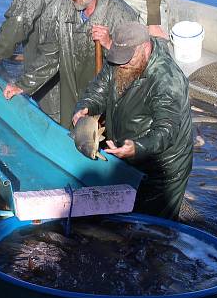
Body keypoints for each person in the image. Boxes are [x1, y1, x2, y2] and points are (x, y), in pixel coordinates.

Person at [73, 23, 193, 220]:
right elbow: (98, 90)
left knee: (150, 227)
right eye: (118, 59)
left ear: (145, 48)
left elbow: (166, 130)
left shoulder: (167, 80)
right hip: (126, 154)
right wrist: (85, 107)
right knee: (123, 218)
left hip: (162, 169)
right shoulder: (121, 59)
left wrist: (137, 147)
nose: (122, 65)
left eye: (127, 59)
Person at [3, 0, 140, 129]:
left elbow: (136, 64)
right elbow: (50, 55)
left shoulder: (122, 15)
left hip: (106, 98)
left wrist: (110, 44)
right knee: (69, 131)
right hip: (71, 93)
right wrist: (22, 85)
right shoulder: (64, 7)